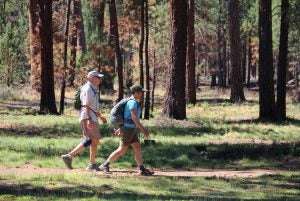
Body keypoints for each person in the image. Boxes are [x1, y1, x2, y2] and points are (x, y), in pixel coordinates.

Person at [98, 85, 154, 176]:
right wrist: (143, 129)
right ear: (135, 93)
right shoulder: (132, 102)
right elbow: (134, 117)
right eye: (141, 92)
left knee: (137, 147)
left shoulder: (134, 102)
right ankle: (105, 164)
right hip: (128, 129)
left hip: (130, 128)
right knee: (122, 150)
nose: (142, 94)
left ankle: (141, 169)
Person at [62, 70, 107, 171]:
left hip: (91, 116)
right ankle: (70, 156)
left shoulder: (93, 88)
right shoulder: (88, 89)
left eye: (99, 77)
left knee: (94, 140)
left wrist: (100, 116)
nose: (100, 79)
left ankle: (89, 164)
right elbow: (86, 106)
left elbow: (92, 107)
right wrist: (89, 119)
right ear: (91, 78)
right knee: (91, 139)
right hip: (88, 117)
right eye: (97, 77)